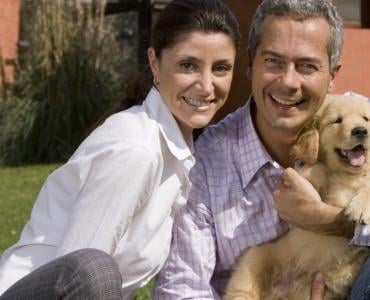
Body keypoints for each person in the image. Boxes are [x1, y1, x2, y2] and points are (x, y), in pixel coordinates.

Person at [153, 1, 370, 299]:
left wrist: (330, 220)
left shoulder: (363, 117)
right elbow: (182, 288)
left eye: (307, 66)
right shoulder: (208, 160)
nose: (288, 82)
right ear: (251, 64)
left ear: (332, 75)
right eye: (274, 62)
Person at [0, 0, 240, 298]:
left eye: (220, 68)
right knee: (94, 267)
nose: (206, 86)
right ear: (155, 62)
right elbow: (80, 275)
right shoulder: (137, 150)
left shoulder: (178, 149)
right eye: (187, 65)